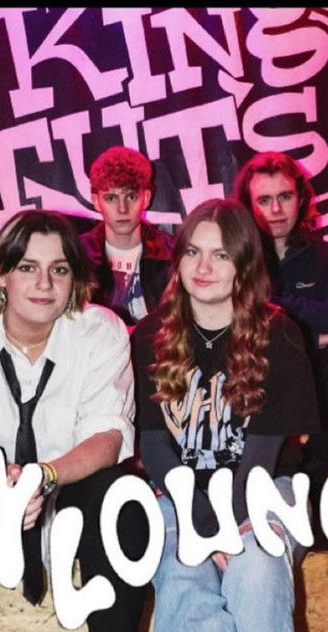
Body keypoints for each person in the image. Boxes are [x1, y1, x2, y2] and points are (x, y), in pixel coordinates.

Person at [0, 210, 148, 631]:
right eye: (27, 267)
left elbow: (108, 436)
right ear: (1, 275)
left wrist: (43, 477)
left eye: (59, 269)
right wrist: (2, 484)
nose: (44, 283)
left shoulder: (100, 330)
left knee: (123, 497)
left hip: (65, 492)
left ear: (75, 279)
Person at [131, 198, 320, 632]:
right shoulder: (150, 334)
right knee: (183, 571)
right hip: (175, 495)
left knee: (257, 566)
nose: (203, 267)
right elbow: (154, 446)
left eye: (221, 255)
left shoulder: (279, 333)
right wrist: (199, 524)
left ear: (244, 264)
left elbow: (263, 458)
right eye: (193, 252)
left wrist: (220, 528)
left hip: (265, 489)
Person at [233, 151, 328, 546]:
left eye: (284, 197)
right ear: (247, 203)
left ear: (300, 198)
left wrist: (275, 308)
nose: (275, 210)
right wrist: (309, 330)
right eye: (264, 200)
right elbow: (239, 312)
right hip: (251, 374)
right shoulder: (238, 255)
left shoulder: (320, 254)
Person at [80, 145, 174, 329]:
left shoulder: (173, 255)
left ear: (146, 198)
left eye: (131, 197)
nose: (122, 209)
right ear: (96, 201)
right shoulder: (77, 255)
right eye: (111, 198)